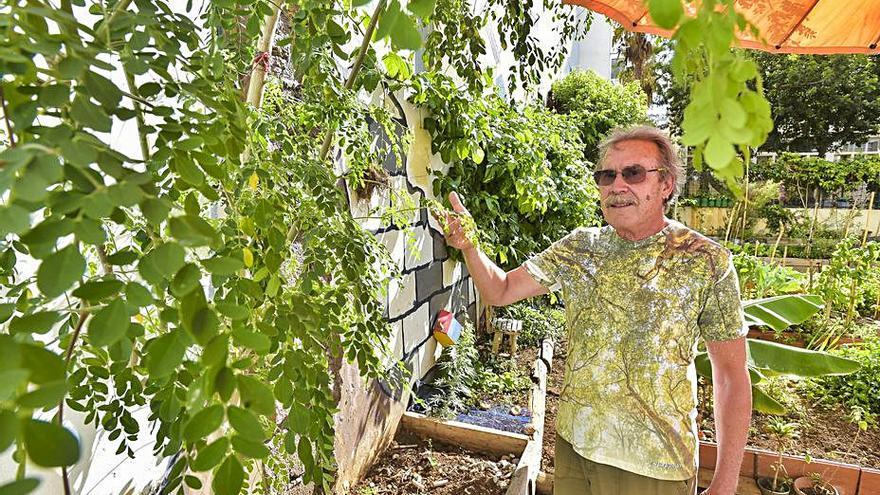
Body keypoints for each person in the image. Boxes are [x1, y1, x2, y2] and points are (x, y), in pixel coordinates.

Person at [437, 125, 752, 495]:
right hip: (574, 449)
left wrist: (726, 482)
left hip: (653, 466)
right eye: (607, 175)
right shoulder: (580, 247)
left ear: (665, 184)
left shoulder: (706, 260)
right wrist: (470, 245)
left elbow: (730, 376)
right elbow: (501, 290)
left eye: (633, 173)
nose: (617, 186)